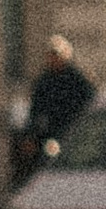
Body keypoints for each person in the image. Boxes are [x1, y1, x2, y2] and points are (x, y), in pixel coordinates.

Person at [26, 31, 94, 160]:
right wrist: (31, 135)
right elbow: (35, 110)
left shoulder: (78, 80)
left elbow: (90, 104)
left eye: (56, 55)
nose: (53, 59)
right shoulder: (44, 81)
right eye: (50, 55)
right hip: (52, 133)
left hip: (75, 132)